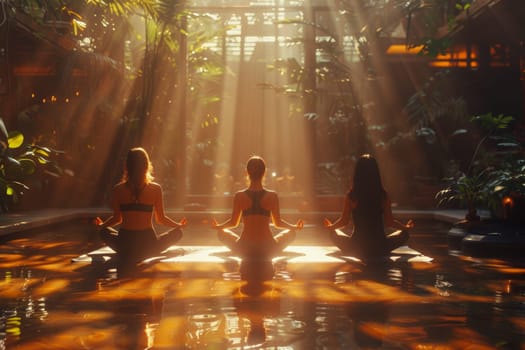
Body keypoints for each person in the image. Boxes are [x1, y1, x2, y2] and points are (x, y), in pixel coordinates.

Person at [96, 147, 187, 263]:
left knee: (103, 231)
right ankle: (152, 249)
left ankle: (132, 250)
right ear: (147, 165)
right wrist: (178, 225)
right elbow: (161, 219)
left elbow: (117, 219)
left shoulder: (118, 189)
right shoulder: (155, 189)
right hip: (148, 244)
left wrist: (102, 225)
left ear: (127, 166)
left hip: (125, 245)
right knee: (178, 233)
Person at [212, 156, 304, 260]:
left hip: (244, 247)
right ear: (264, 172)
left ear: (247, 172)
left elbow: (234, 223)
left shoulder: (239, 196)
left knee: (221, 233)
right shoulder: (272, 196)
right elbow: (278, 223)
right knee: (291, 233)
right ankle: (274, 247)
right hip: (268, 247)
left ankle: (241, 248)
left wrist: (218, 226)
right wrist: (294, 227)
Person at [323, 154, 413, 259]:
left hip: (356, 247)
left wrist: (331, 227)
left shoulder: (352, 196)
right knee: (405, 234)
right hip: (380, 247)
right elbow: (390, 222)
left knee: (332, 233)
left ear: (357, 174)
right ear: (376, 174)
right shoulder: (383, 195)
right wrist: (405, 227)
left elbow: (344, 221)